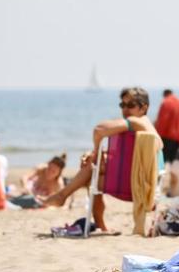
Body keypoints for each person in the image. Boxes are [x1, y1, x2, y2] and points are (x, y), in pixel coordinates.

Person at [39, 87, 162, 233]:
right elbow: (126, 159)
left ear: (143, 108)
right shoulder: (143, 129)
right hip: (144, 183)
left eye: (131, 105)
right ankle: (65, 198)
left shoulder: (137, 122)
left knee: (91, 177)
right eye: (122, 105)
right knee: (92, 168)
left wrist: (96, 152)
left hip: (136, 186)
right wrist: (96, 156)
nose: (125, 110)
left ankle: (64, 197)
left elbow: (98, 130)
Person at [155, 89, 179, 163]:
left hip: (167, 137)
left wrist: (157, 137)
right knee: (172, 163)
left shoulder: (166, 102)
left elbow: (162, 120)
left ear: (164, 95)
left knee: (163, 163)